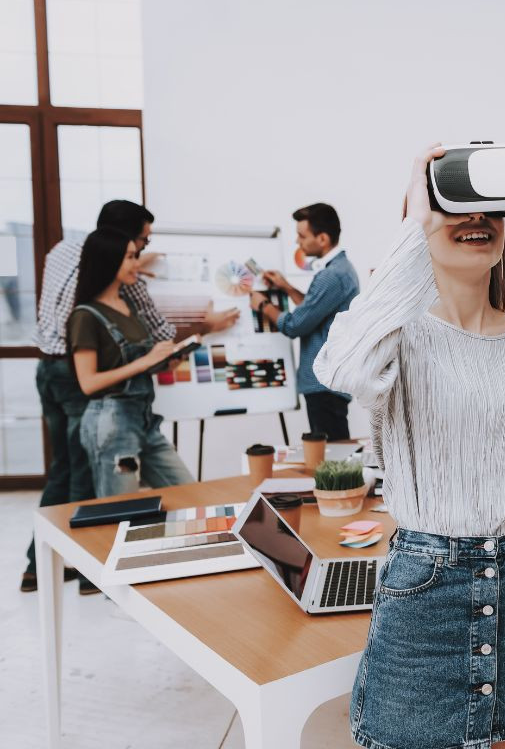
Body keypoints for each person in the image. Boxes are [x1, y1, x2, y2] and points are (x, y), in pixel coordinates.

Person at [314, 145, 505, 749]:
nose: (477, 220)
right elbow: (340, 367)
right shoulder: (397, 340)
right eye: (456, 207)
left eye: (490, 211)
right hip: (425, 590)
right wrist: (417, 215)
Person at [22, 200, 237, 594]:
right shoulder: (97, 306)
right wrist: (196, 329)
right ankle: (90, 571)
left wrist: (174, 347)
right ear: (120, 243)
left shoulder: (64, 252)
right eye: (138, 247)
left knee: (66, 470)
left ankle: (40, 568)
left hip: (52, 369)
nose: (142, 256)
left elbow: (151, 342)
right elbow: (102, 367)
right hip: (92, 391)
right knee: (86, 483)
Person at [69, 228, 194, 499]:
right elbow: (88, 383)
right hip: (112, 425)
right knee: (120, 510)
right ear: (108, 261)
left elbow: (134, 364)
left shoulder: (127, 306)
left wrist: (162, 362)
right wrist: (146, 361)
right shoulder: (86, 316)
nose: (137, 263)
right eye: (129, 257)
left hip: (145, 421)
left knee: (190, 494)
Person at [253, 203, 359, 440]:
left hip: (325, 386)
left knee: (334, 462)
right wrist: (287, 287)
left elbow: (295, 325)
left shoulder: (332, 275)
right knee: (332, 458)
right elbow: (314, 310)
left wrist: (262, 305)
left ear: (322, 239)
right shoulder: (338, 270)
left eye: (302, 236)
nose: (297, 242)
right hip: (327, 386)